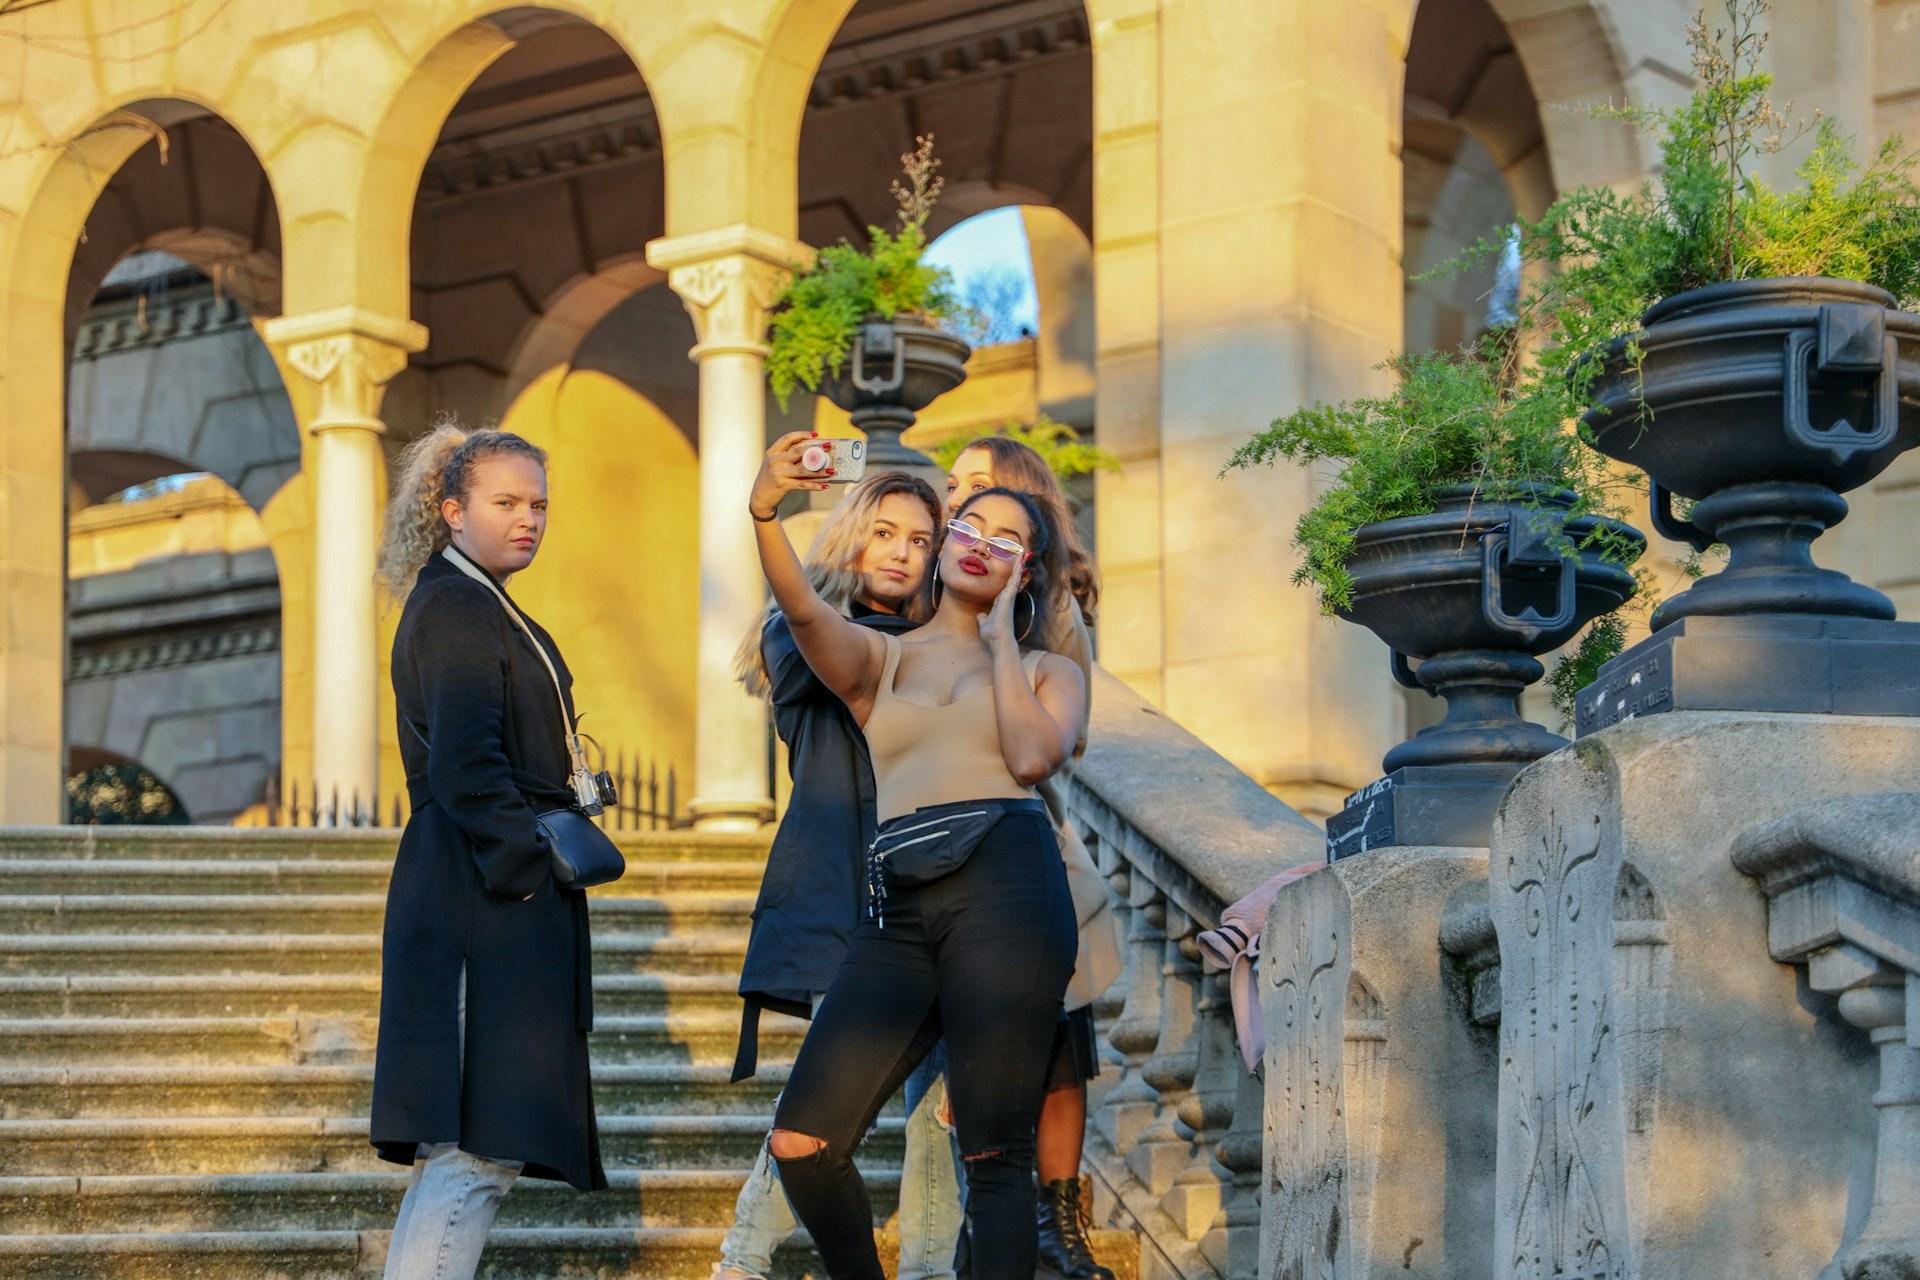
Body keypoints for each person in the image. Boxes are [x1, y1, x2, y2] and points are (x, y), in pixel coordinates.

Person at [748, 431, 1087, 1280]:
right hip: (898, 901)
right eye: (967, 530)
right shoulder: (879, 658)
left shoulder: (1049, 668)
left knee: (991, 1156)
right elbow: (800, 610)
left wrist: (1003, 638)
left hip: (1009, 889)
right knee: (801, 1138)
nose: (981, 547)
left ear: (1027, 570)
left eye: (1007, 542)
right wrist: (764, 510)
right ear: (942, 552)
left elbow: (1033, 758)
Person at [369, 423, 606, 1280]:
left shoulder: (474, 599)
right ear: (453, 509)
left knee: (473, 1147)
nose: (529, 519)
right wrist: (530, 869)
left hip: (484, 887)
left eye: (539, 503)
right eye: (506, 503)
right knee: (481, 1144)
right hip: (484, 895)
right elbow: (468, 768)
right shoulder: (458, 605)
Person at [714, 471, 943, 1280]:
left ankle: (928, 1267)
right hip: (854, 901)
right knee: (818, 1117)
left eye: (921, 540)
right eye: (884, 532)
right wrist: (766, 513)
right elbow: (832, 640)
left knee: (940, 1111)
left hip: (948, 897)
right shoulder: (798, 634)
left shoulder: (940, 638)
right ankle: (742, 1257)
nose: (903, 553)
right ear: (848, 535)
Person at [915, 436, 1122, 1280]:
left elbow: (1058, 730)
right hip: (939, 848)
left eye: (974, 486)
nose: (954, 499)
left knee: (1060, 1037)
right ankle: (970, 1238)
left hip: (1023, 832)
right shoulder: (926, 587)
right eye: (954, 489)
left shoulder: (1052, 611)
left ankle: (1054, 1224)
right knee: (955, 1074)